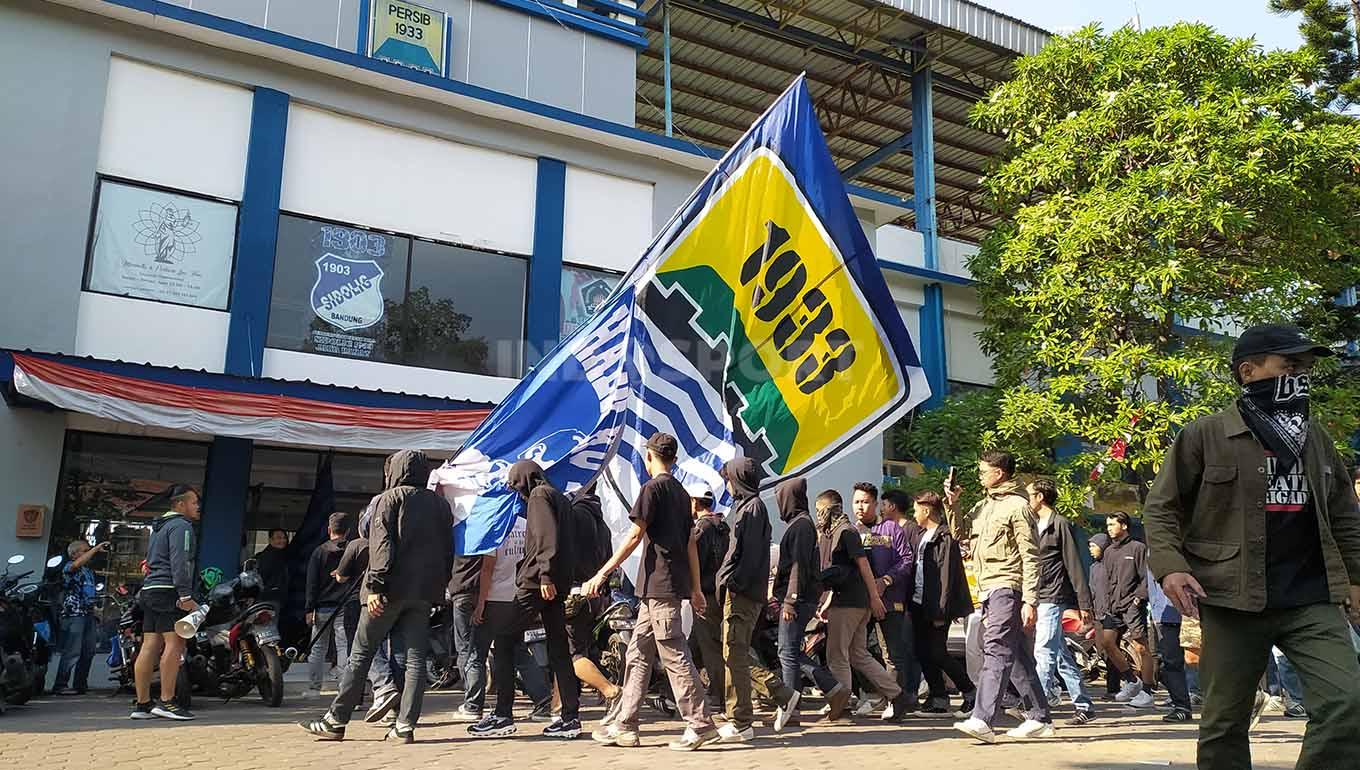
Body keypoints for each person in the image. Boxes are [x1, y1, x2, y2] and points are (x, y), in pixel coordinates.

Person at [1143, 323, 1360, 769]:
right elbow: (1162, 509)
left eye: (1306, 368)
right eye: (1290, 365)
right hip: (1230, 598)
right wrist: (1170, 567)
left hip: (1311, 597)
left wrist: (1356, 579)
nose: (1301, 376)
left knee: (1349, 703)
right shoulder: (1203, 436)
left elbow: (1344, 515)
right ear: (1248, 372)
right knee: (1224, 722)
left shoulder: (1315, 438)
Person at [299, 449, 453, 744]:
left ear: (394, 470)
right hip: (423, 593)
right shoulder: (440, 505)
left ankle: (336, 720)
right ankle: (405, 727)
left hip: (388, 591)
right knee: (416, 660)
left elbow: (381, 545)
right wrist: (439, 588)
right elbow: (447, 550)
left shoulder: (389, 498)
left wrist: (376, 586)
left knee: (361, 653)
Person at [585, 432, 718, 751]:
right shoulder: (681, 493)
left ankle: (700, 723)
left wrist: (602, 572)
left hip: (661, 587)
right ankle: (625, 725)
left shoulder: (653, 489)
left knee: (674, 654)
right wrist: (696, 588)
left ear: (649, 457)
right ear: (673, 458)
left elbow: (633, 536)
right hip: (659, 588)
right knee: (637, 653)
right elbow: (689, 545)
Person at [944, 450, 1053, 743]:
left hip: (1009, 585)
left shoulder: (1018, 507)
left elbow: (1031, 556)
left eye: (984, 471)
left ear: (1000, 473)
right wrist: (952, 505)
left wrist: (1031, 600)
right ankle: (1040, 717)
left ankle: (983, 718)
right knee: (1015, 654)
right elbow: (960, 534)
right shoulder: (983, 506)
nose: (980, 475)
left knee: (995, 647)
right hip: (988, 587)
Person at [477, 460, 582, 739]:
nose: (516, 492)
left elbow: (546, 537)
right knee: (560, 649)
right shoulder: (558, 496)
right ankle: (570, 717)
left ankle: (502, 715)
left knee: (503, 640)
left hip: (538, 582)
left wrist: (545, 575)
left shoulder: (538, 496)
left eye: (515, 485)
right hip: (556, 584)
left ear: (525, 480)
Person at [814, 488, 904, 721]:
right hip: (853, 601)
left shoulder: (845, 532)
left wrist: (874, 596)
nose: (818, 515)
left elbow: (863, 566)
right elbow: (849, 571)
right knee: (858, 654)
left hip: (849, 604)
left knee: (837, 655)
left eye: (820, 511)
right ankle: (897, 695)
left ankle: (841, 706)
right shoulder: (842, 531)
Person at [713, 457, 777, 742]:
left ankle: (740, 721)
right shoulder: (751, 507)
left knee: (735, 655)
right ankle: (739, 717)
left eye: (728, 478)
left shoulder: (751, 510)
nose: (727, 484)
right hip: (744, 592)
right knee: (734, 654)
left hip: (742, 595)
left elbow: (747, 557)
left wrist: (731, 584)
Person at [772, 478, 842, 731]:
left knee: (787, 652)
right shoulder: (802, 524)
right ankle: (832, 688)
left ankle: (792, 708)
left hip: (797, 599)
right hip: (802, 597)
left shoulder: (801, 526)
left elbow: (798, 566)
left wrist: (789, 600)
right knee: (791, 651)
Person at [1025, 479, 1096, 724]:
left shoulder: (1060, 524)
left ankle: (1038, 710)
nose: (1027, 500)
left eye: (1030, 495)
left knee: (1043, 651)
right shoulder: (1031, 525)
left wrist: (1084, 603)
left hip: (1054, 596)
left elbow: (1074, 564)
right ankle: (1084, 705)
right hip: (1037, 594)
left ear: (1040, 497)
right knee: (1060, 654)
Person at [131, 484, 200, 721]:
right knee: (176, 644)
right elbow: (180, 562)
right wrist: (185, 596)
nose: (197, 506)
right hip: (169, 591)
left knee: (149, 645)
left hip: (150, 590)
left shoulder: (158, 527)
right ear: (180, 504)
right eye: (194, 502)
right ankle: (167, 701)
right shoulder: (182, 526)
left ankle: (142, 704)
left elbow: (149, 561)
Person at [853, 482, 922, 720]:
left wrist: (886, 581)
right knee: (855, 651)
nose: (860, 507)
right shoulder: (852, 532)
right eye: (857, 502)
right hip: (859, 604)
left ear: (875, 504)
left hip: (890, 602)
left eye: (865, 502)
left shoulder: (891, 529)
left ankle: (896, 701)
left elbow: (906, 560)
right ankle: (872, 694)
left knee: (893, 653)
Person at [907, 491, 976, 717]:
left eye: (917, 509)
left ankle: (970, 692)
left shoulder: (944, 537)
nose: (914, 513)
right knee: (922, 652)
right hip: (918, 602)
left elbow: (946, 577)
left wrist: (941, 610)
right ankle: (938, 698)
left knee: (938, 652)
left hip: (936, 605)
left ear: (927, 511)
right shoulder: (920, 535)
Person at [334, 509, 402, 725]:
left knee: (360, 650)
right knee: (391, 649)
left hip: (361, 601)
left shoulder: (358, 544)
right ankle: (394, 704)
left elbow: (342, 576)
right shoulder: (396, 545)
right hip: (392, 600)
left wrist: (337, 574)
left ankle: (379, 687)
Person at [563, 480, 621, 710]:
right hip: (597, 594)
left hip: (576, 592)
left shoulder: (573, 516)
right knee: (583, 648)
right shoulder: (601, 521)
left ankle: (611, 690)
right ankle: (560, 706)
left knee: (572, 654)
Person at [1098, 511, 1155, 709]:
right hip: (1112, 607)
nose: (1109, 528)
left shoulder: (1138, 548)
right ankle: (1131, 681)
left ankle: (1147, 692)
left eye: (1113, 524)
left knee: (1141, 648)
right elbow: (1105, 579)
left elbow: (1145, 578)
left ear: (1124, 526)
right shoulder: (1108, 551)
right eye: (1107, 525)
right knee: (1106, 642)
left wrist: (1138, 600)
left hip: (1132, 605)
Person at [688, 484, 730, 716]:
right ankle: (670, 694)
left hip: (704, 596)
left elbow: (696, 563)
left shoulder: (701, 529)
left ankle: (719, 696)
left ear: (695, 502)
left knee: (710, 648)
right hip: (719, 595)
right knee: (692, 646)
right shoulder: (722, 527)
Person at [51, 539, 108, 695]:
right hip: (74, 614)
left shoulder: (88, 572)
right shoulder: (70, 567)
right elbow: (75, 566)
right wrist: (96, 548)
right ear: (75, 554)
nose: (89, 553)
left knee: (89, 651)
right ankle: (60, 684)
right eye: (85, 550)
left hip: (88, 614)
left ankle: (80, 684)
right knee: (72, 651)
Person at [305, 512, 353, 698]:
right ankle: (343, 688)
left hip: (322, 606)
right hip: (345, 605)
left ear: (328, 530)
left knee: (318, 648)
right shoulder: (351, 549)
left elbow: (311, 583)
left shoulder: (319, 552)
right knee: (343, 647)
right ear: (348, 531)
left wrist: (309, 609)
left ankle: (314, 689)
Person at [1148, 568, 1193, 723]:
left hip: (1185, 612)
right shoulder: (1151, 552)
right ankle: (1181, 707)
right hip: (1162, 615)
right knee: (1170, 662)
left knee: (1198, 659)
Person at [449, 547, 486, 722]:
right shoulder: (485, 534)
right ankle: (473, 701)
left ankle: (472, 704)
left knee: (467, 651)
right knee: (475, 650)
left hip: (463, 594)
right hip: (482, 594)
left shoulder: (458, 536)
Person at [1088, 534, 1119, 700]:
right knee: (1104, 651)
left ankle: (1115, 687)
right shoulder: (1093, 567)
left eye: (1094, 546)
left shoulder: (1111, 564)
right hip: (1098, 614)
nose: (1091, 550)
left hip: (1111, 613)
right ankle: (1112, 687)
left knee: (1112, 649)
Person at [254, 528, 291, 608]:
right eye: (278, 538)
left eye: (284, 538)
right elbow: (263, 576)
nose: (283, 540)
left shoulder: (282, 555)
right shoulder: (269, 556)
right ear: (271, 540)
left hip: (275, 598)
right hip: (269, 598)